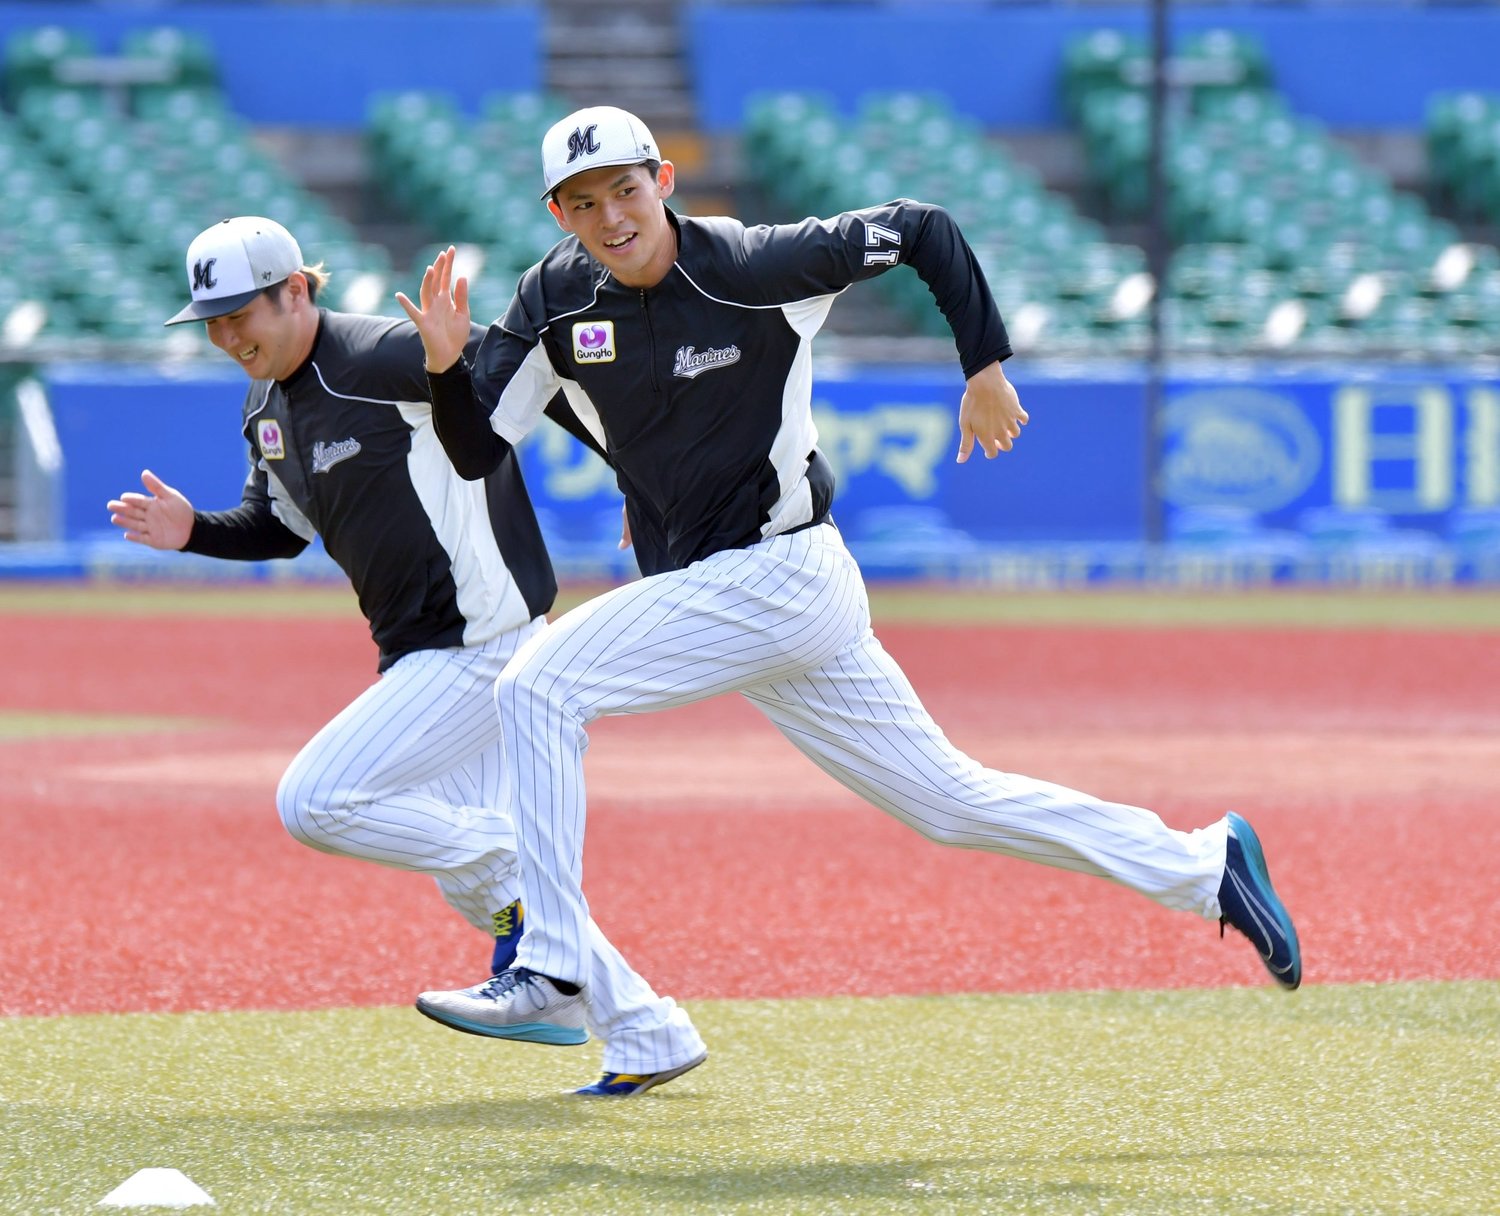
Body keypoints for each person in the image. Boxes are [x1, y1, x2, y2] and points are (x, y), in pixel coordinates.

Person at [398, 106, 1302, 1045]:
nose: (610, 216)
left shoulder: (754, 265)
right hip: (751, 596)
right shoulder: (553, 298)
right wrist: (445, 370)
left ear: (664, 181)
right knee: (951, 804)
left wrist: (983, 364)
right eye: (583, 203)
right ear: (559, 215)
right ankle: (1206, 867)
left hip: (782, 573)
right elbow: (474, 449)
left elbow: (924, 229)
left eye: (625, 189)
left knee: (537, 687)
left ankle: (551, 963)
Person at [106, 215, 707, 1097]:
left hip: (481, 645)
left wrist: (643, 480)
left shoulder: (388, 356)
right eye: (215, 323)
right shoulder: (264, 407)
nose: (231, 336)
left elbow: (535, 392)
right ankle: (648, 1031)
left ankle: (519, 856)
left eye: (244, 313)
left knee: (318, 800)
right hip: (422, 652)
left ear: (297, 290)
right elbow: (279, 527)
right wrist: (194, 531)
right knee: (479, 891)